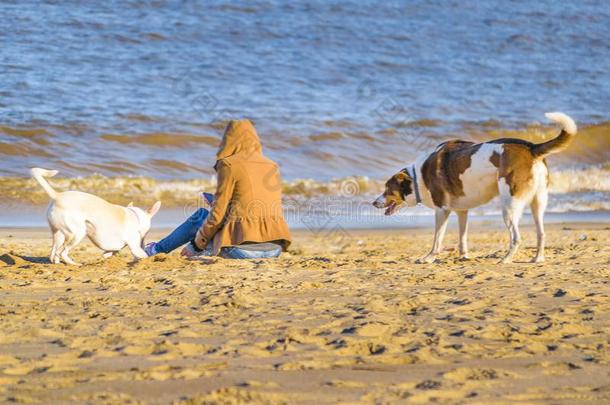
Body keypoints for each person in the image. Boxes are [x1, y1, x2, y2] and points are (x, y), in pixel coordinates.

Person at [145, 119, 291, 259]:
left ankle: (156, 249)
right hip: (274, 248)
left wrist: (196, 245)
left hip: (243, 251)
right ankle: (167, 249)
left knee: (201, 216)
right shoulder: (272, 166)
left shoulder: (229, 165)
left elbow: (217, 214)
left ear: (229, 139)